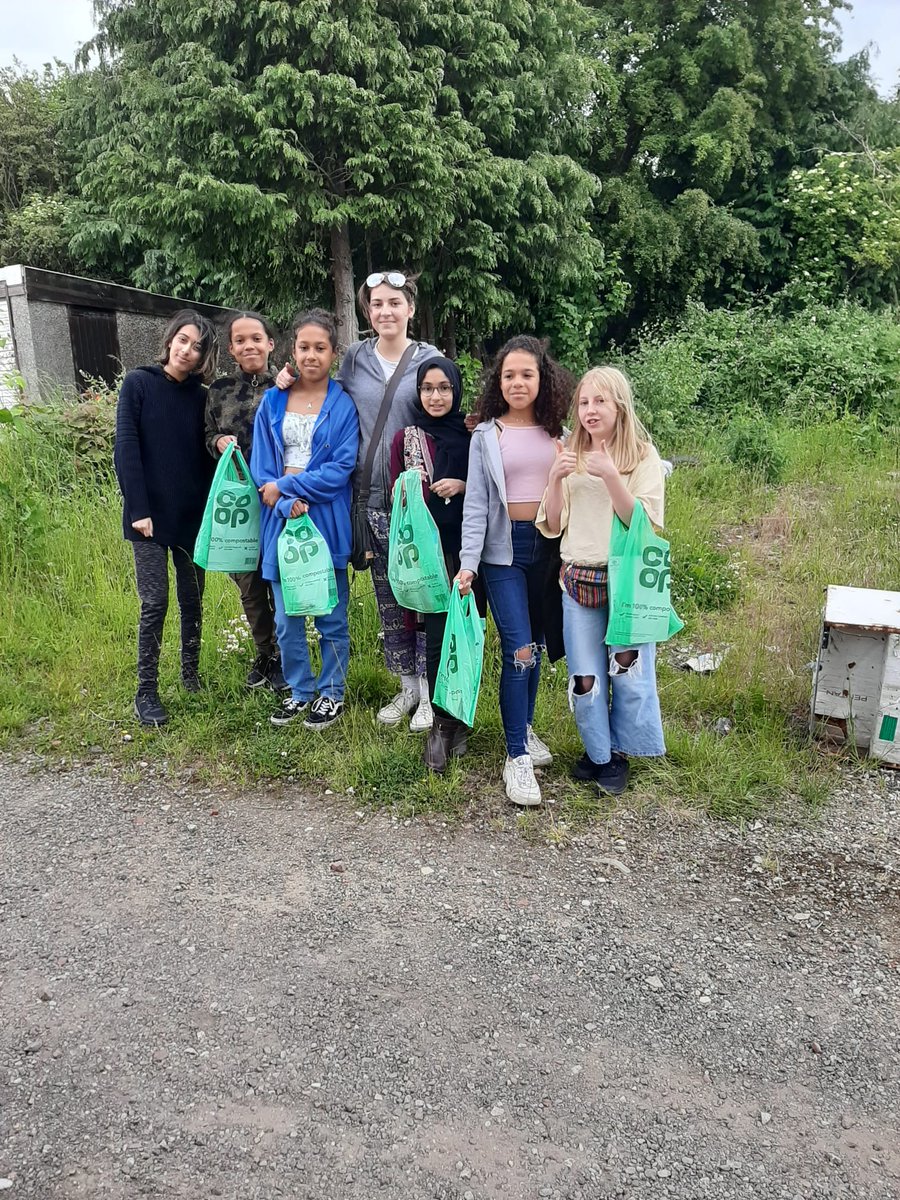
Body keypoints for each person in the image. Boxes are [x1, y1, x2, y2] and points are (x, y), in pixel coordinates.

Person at [277, 271, 439, 729]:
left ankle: (429, 693)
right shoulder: (354, 360)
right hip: (367, 500)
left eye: (394, 303)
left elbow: (445, 410)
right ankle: (406, 688)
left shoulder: (429, 359)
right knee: (388, 599)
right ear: (367, 312)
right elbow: (320, 391)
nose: (385, 312)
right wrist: (284, 377)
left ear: (409, 307)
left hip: (417, 503)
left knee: (423, 595)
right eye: (376, 305)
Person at [537, 366, 667, 795]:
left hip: (627, 582)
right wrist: (556, 479)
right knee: (585, 676)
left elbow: (643, 525)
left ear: (619, 406)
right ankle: (599, 755)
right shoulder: (569, 453)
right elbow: (552, 525)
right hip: (577, 580)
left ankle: (623, 754)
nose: (590, 411)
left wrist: (611, 475)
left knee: (627, 672)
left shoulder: (642, 456)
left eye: (600, 402)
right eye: (584, 402)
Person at [456, 335, 572, 807]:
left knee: (538, 646)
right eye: (509, 375)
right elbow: (477, 505)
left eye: (527, 374)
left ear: (542, 380)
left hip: (549, 549)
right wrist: (467, 564)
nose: (518, 382)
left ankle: (524, 726)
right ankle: (517, 757)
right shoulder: (486, 434)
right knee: (519, 648)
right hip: (501, 554)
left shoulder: (558, 433)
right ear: (497, 382)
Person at [253, 309, 359, 729]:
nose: (311, 355)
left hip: (325, 518)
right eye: (303, 347)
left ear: (334, 353)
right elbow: (262, 469)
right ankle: (300, 690)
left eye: (320, 348)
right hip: (281, 521)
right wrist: (281, 503)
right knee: (286, 618)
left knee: (330, 614)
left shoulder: (343, 405)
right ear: (291, 350)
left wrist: (292, 489)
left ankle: (331, 693)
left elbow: (341, 468)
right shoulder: (273, 399)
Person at [114, 309, 218, 727]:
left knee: (193, 600)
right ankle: (146, 691)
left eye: (197, 347)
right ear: (170, 338)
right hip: (148, 520)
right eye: (183, 340)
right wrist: (138, 509)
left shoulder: (201, 397)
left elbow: (206, 456)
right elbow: (127, 448)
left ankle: (190, 675)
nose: (187, 351)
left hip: (192, 517)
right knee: (155, 601)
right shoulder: (138, 384)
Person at [388, 355, 474, 770]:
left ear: (456, 391)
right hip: (431, 557)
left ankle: (461, 717)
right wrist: (411, 490)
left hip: (473, 552)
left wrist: (463, 484)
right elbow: (395, 500)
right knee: (439, 640)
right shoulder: (405, 439)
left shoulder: (474, 435)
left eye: (444, 388)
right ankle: (442, 726)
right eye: (427, 388)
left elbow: (495, 488)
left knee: (469, 636)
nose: (436, 396)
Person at [204, 310, 286, 691]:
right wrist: (217, 442)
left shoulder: (289, 386)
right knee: (249, 586)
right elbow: (207, 435)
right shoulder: (219, 391)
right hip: (237, 506)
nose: (249, 345)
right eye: (240, 340)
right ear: (231, 349)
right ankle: (265, 653)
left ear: (270, 343)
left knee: (280, 581)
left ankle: (289, 656)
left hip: (278, 502)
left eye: (257, 338)